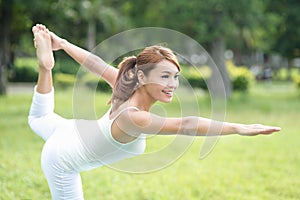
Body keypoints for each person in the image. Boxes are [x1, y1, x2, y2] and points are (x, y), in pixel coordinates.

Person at [28, 24, 281, 199]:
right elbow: (187, 124)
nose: (172, 85)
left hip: (73, 130)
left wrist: (62, 43)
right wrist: (238, 128)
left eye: (175, 77)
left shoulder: (124, 83)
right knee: (40, 120)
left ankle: (45, 68)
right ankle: (46, 65)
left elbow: (95, 64)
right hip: (62, 160)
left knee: (39, 118)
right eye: (164, 76)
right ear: (141, 76)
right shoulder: (133, 117)